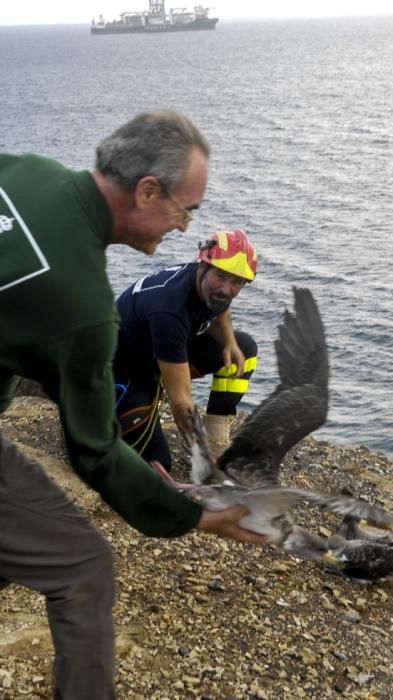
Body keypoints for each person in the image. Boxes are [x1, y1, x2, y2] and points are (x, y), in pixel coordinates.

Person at [0, 110, 264, 700]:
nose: (183, 225)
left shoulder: (28, 172)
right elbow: (93, 449)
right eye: (184, 209)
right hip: (130, 381)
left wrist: (225, 342)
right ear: (147, 190)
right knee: (83, 567)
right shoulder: (86, 305)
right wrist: (194, 514)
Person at [113, 229, 258, 475]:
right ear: (203, 266)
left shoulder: (209, 286)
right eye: (221, 276)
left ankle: (215, 443)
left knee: (244, 349)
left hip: (158, 358)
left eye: (237, 282)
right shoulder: (170, 308)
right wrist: (205, 464)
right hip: (122, 373)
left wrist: (230, 343)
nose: (226, 289)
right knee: (157, 466)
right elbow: (180, 401)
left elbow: (219, 309)